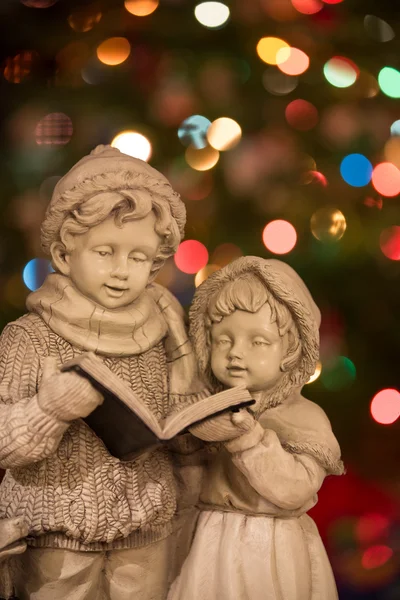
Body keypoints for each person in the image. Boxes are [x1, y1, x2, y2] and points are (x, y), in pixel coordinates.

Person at [0, 145, 206, 600]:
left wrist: (199, 422)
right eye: (105, 252)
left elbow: (177, 429)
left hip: (146, 532)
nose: (120, 271)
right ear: (64, 253)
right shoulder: (29, 338)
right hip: (55, 540)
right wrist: (47, 410)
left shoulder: (167, 332)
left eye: (138, 258)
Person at [168, 256, 344, 600]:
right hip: (207, 537)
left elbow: (294, 489)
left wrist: (250, 441)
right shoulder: (208, 404)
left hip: (271, 546)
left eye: (257, 342)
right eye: (223, 340)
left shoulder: (305, 417)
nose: (236, 353)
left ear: (291, 351)